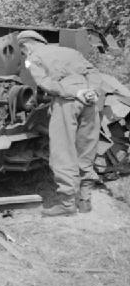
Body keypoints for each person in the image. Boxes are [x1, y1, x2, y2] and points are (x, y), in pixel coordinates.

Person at [16, 30, 112, 215]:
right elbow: (93, 71)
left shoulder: (33, 58)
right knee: (87, 148)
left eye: (23, 51)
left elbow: (45, 83)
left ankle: (67, 204)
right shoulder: (70, 52)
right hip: (89, 101)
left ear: (26, 46)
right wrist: (91, 90)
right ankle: (85, 200)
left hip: (67, 102)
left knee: (63, 151)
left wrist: (73, 92)